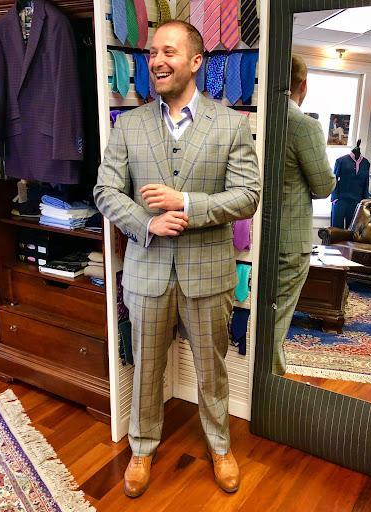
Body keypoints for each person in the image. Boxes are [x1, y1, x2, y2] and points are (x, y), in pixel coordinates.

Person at [94, 20, 260, 498]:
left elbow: (248, 196)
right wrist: (146, 223)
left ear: (195, 61)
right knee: (146, 368)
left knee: (211, 369)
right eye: (152, 53)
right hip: (146, 272)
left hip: (208, 273)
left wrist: (186, 203)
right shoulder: (129, 125)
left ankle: (220, 446)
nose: (156, 61)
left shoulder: (231, 124)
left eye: (168, 51)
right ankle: (141, 448)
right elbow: (105, 191)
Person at [272, 55, 336, 375]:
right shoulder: (304, 125)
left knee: (251, 311)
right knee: (277, 317)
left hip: (247, 234)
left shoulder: (253, 118)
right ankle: (270, 385)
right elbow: (324, 186)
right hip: (289, 238)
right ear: (304, 85)